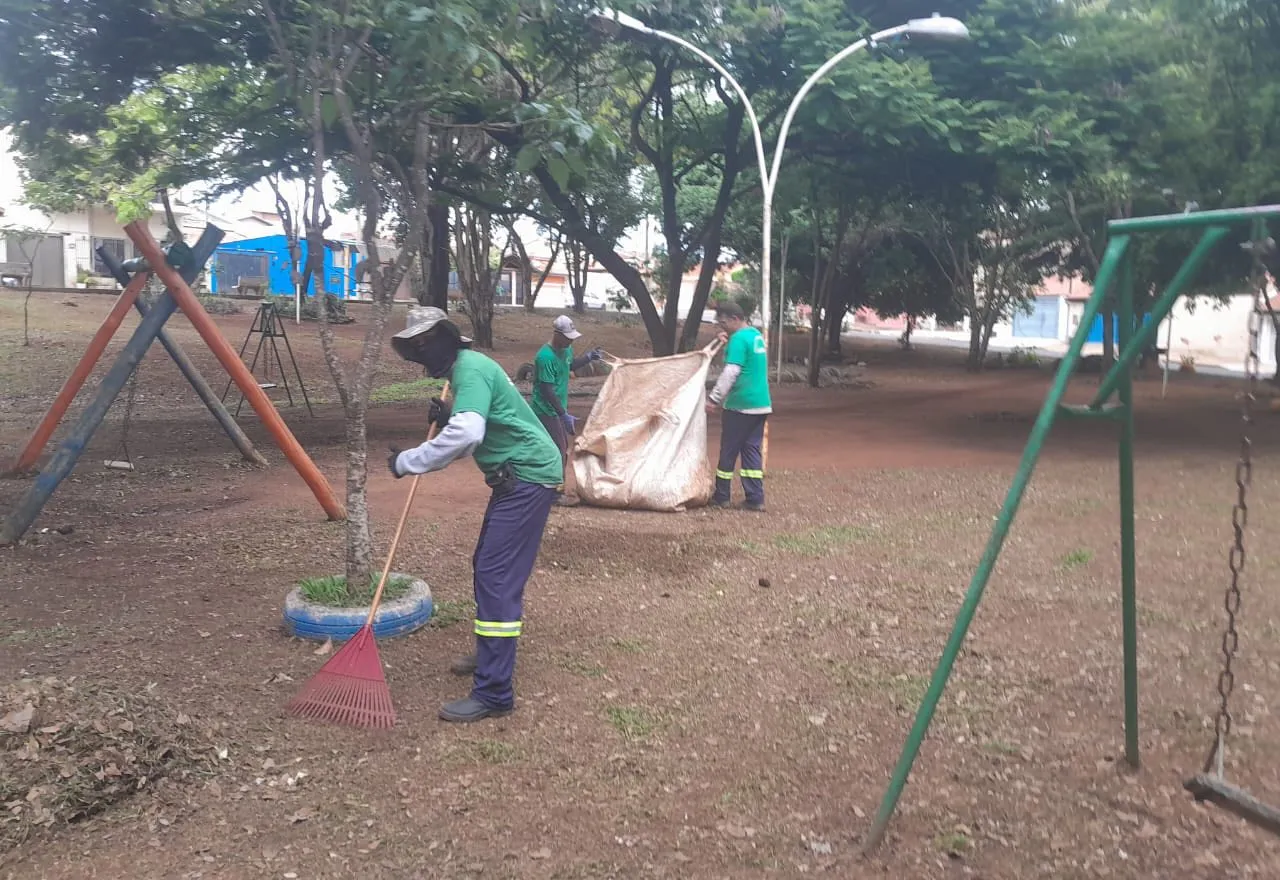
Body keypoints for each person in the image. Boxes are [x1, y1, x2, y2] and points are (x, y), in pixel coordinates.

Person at [386, 307, 563, 723]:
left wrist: (407, 461)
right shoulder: (466, 370)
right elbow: (492, 419)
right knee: (488, 567)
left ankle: (495, 691)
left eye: (425, 343)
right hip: (515, 478)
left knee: (497, 576)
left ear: (449, 338)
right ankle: (491, 659)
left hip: (527, 476)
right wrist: (448, 416)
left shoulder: (470, 369)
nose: (420, 353)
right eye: (414, 347)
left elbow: (468, 435)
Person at [528, 315, 603, 505]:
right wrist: (563, 414)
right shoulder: (545, 357)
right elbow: (547, 390)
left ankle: (550, 489)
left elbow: (570, 364)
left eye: (572, 337)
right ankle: (554, 494)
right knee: (559, 450)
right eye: (567, 337)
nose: (571, 340)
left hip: (558, 409)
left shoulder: (565, 349)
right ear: (557, 334)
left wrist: (587, 358)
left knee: (562, 449)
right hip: (545, 410)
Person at [705, 301, 771, 511]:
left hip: (740, 404)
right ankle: (755, 498)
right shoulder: (754, 335)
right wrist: (726, 343)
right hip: (761, 404)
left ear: (735, 319)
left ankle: (721, 495)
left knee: (728, 450)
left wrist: (714, 398)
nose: (721, 326)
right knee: (751, 449)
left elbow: (731, 372)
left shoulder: (739, 340)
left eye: (723, 322)